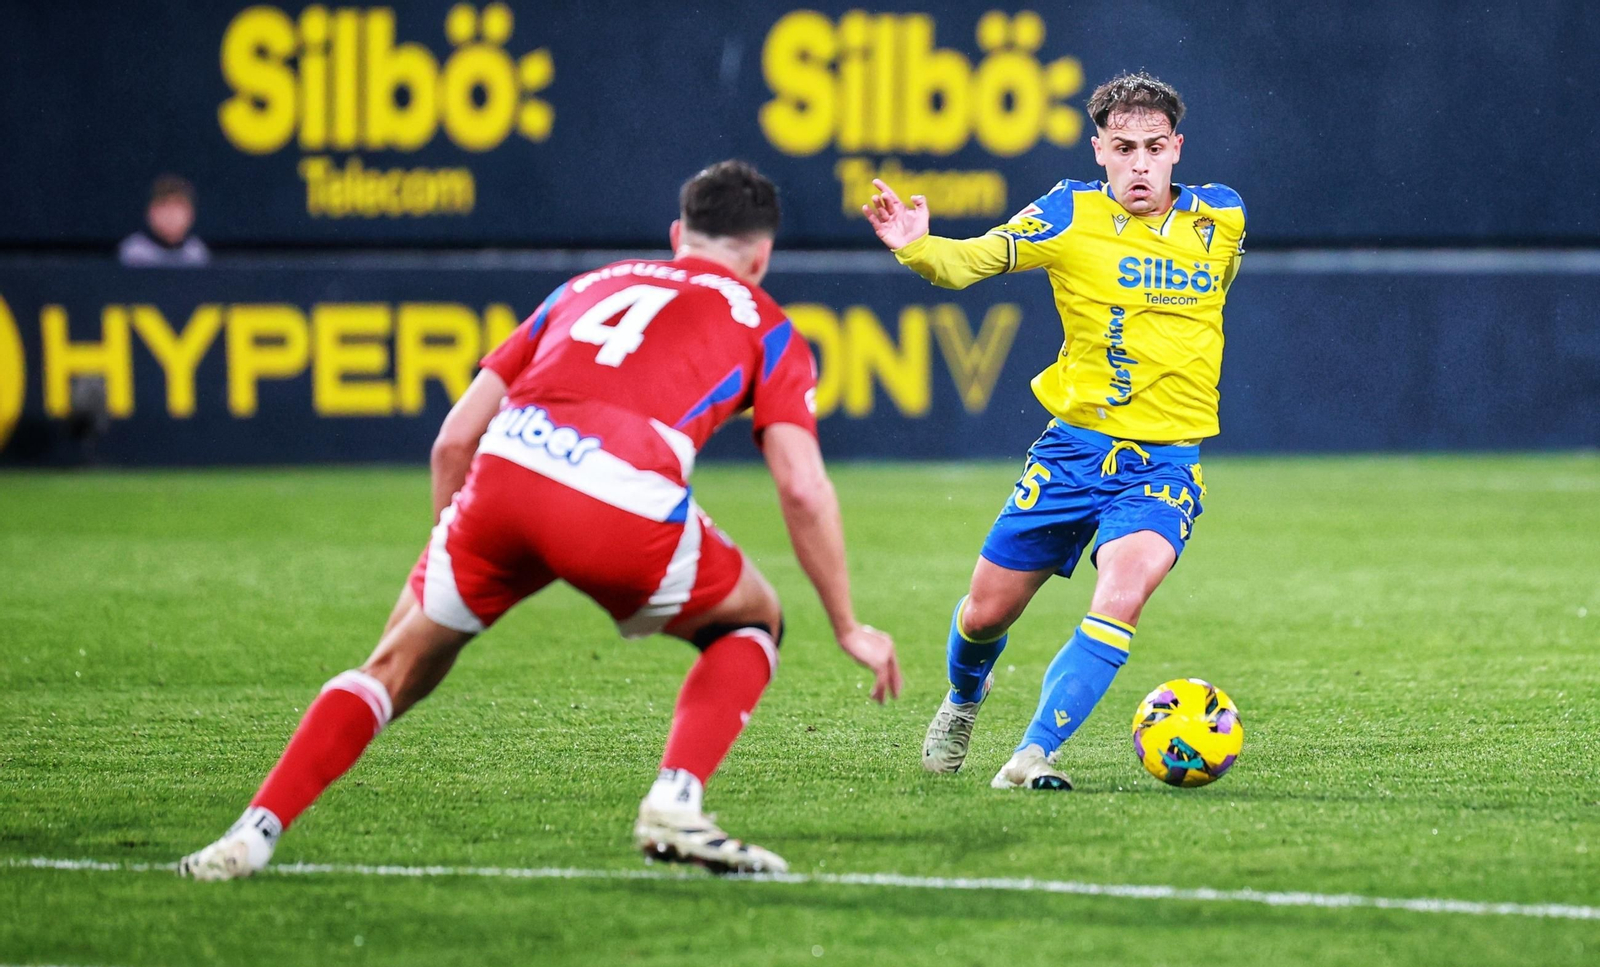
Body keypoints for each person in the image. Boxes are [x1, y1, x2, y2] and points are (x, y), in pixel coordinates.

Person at [181, 160, 901, 880]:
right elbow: (802, 487)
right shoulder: (768, 325)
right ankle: (676, 803)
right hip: (619, 496)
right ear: (762, 256)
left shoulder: (586, 286)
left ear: (678, 234)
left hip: (506, 472)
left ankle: (253, 833)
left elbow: (453, 440)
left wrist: (450, 548)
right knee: (752, 622)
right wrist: (846, 623)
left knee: (395, 664)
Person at [862, 72, 1246, 789]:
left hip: (1164, 464)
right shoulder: (1068, 214)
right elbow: (975, 259)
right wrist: (917, 246)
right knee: (983, 614)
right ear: (1098, 149)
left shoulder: (1221, 220)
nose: (1139, 163)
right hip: (1073, 453)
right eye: (1123, 146)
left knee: (1122, 593)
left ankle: (1031, 755)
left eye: (1154, 148)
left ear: (1177, 151)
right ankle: (963, 699)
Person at [119, 175, 210, 267]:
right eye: (163, 205)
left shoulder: (196, 252)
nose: (171, 214)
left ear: (191, 214)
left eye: (177, 206)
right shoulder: (134, 252)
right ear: (150, 212)